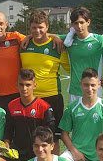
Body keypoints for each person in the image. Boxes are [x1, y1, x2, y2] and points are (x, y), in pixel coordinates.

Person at [20, 10, 70, 147]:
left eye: (41, 27)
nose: (37, 31)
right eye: (34, 28)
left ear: (47, 27)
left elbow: (71, 69)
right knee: (31, 138)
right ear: (29, 29)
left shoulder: (57, 46)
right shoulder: (24, 45)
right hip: (30, 99)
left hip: (52, 98)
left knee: (53, 140)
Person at [0, 69, 56, 161]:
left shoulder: (44, 107)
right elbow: (8, 130)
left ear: (35, 85)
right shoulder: (11, 105)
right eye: (21, 84)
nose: (24, 88)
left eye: (28, 85)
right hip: (16, 153)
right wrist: (6, 143)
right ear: (17, 85)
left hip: (36, 154)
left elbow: (49, 136)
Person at [59, 68, 103, 161]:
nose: (89, 89)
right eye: (86, 85)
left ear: (99, 84)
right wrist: (74, 151)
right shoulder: (72, 107)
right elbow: (64, 134)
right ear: (81, 84)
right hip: (76, 155)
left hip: (99, 157)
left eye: (93, 85)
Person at [60, 7, 103, 102]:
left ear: (88, 22)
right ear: (72, 25)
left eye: (82, 22)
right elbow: (46, 36)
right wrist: (30, 37)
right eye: (76, 23)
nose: (79, 26)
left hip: (94, 90)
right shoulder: (69, 40)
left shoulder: (99, 40)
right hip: (74, 91)